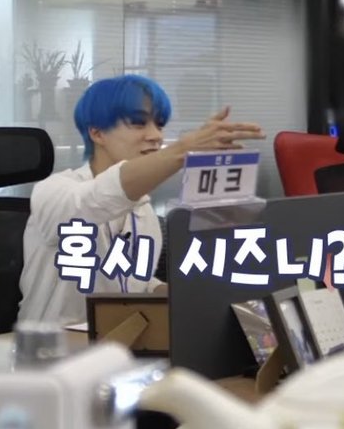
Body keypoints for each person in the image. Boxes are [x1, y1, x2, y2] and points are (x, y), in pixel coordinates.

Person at [18, 74, 265, 326]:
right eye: (138, 123)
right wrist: (183, 150)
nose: (156, 136)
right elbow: (95, 199)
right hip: (49, 344)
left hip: (119, 342)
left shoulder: (144, 213)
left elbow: (136, 282)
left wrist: (187, 296)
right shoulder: (53, 191)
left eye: (159, 125)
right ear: (97, 133)